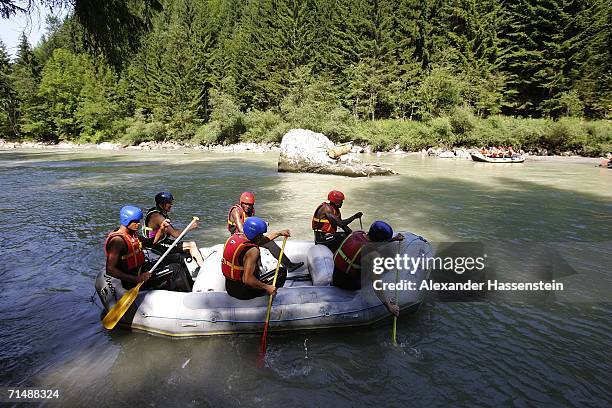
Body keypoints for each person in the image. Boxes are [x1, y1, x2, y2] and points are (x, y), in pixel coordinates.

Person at [105, 205, 192, 292]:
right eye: (135, 222)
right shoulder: (117, 241)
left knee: (179, 257)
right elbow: (110, 269)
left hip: (143, 269)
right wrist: (137, 279)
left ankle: (191, 286)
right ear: (126, 220)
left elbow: (150, 243)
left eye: (139, 221)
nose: (138, 224)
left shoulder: (132, 234)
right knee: (175, 269)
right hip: (132, 280)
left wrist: (161, 229)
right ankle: (188, 295)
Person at [332, 220, 404, 316]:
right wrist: (389, 307)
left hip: (336, 276)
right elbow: (376, 283)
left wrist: (393, 239)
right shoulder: (373, 255)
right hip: (349, 284)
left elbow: (372, 242)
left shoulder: (356, 233)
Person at [227, 191, 303, 272]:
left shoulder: (251, 211)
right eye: (245, 204)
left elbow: (251, 225)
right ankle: (258, 271)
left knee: (270, 243)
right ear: (241, 203)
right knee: (255, 248)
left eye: (250, 205)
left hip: (249, 237)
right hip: (239, 240)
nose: (248, 206)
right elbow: (242, 230)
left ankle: (289, 265)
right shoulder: (236, 211)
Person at [222, 217, 291, 300]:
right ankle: (271, 297)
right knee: (281, 272)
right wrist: (266, 287)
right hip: (243, 292)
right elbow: (247, 280)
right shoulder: (252, 251)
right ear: (255, 235)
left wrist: (279, 233)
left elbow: (262, 240)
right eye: (260, 235)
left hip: (230, 287)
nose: (262, 236)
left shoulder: (234, 238)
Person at [143, 192, 205, 268]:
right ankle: (204, 269)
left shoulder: (158, 211)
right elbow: (175, 234)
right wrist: (191, 227)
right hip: (156, 246)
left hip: (162, 242)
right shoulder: (157, 217)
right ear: (161, 204)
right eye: (169, 203)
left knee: (188, 246)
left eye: (171, 202)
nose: (171, 205)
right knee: (191, 245)